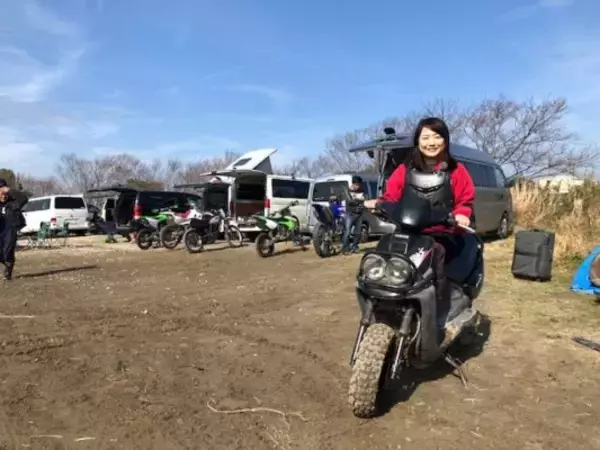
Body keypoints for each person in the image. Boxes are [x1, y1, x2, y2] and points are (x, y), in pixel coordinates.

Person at [364, 117, 476, 336]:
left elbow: (466, 200)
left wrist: (462, 214)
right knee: (383, 253)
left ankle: (440, 310)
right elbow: (391, 196)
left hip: (442, 233)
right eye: (425, 137)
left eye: (436, 137)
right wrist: (378, 203)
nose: (431, 142)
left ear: (445, 140)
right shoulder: (404, 169)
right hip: (408, 232)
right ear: (417, 141)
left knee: (437, 255)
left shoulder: (457, 170)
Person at [0, 179, 29, 281]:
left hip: (10, 231)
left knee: (7, 252)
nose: (3, 195)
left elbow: (24, 199)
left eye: (4, 191)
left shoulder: (14, 202)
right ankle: (8, 263)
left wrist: (9, 190)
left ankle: (8, 271)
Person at [342, 175, 366, 254]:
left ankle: (355, 247)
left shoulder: (362, 190)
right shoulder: (347, 191)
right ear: (353, 184)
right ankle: (345, 248)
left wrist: (358, 200)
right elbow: (350, 201)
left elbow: (365, 199)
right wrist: (359, 200)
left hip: (359, 214)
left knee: (358, 232)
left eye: (359, 185)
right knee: (347, 232)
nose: (358, 186)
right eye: (357, 185)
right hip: (350, 214)